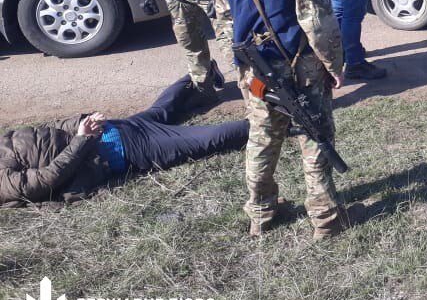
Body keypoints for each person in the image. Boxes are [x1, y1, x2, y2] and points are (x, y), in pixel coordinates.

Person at [215, 0, 357, 240]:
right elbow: (319, 23)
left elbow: (223, 14)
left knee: (261, 140)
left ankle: (260, 214)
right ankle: (325, 219)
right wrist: (334, 65)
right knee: (314, 138)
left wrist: (241, 61)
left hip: (254, 70)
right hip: (299, 69)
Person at [0, 76, 248, 207]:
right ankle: (272, 124)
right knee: (207, 138)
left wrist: (80, 123)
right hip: (120, 152)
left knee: (163, 111)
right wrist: (81, 138)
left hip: (110, 130)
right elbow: (47, 179)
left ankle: (199, 74)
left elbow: (48, 132)